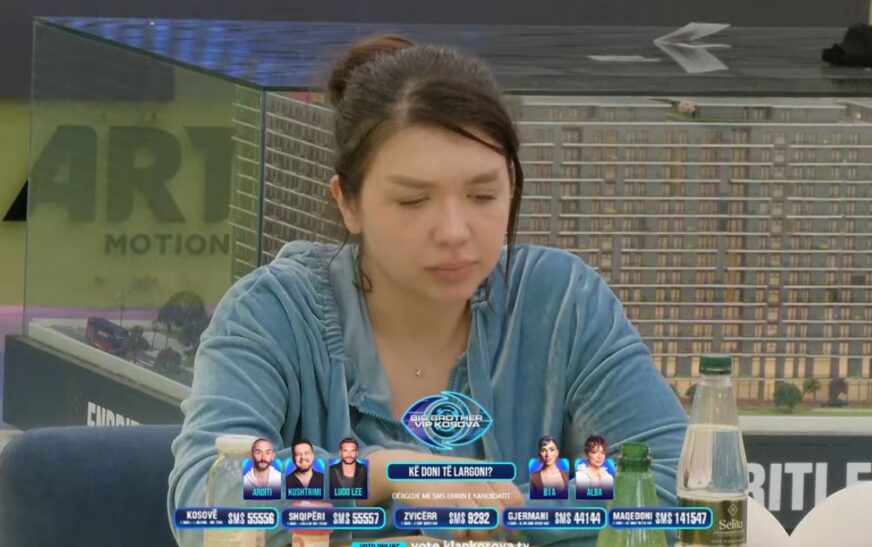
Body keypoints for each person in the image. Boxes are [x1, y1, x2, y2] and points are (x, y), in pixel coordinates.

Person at [168, 33, 688, 546]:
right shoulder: (271, 313)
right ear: (348, 202)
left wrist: (503, 512)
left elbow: (675, 486)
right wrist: (382, 475)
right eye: (414, 201)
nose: (455, 232)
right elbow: (210, 501)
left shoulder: (562, 302)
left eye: (483, 195)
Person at [529, 435, 569, 499]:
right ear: (539, 453)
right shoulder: (533, 478)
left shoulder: (566, 475)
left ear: (557, 452)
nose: (548, 454)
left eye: (552, 450)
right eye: (543, 450)